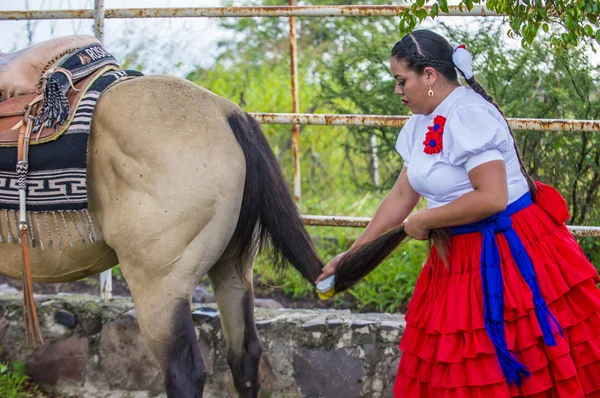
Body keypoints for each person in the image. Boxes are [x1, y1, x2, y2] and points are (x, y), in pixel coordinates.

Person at [316, 30, 600, 397]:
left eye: (402, 81)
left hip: (508, 251)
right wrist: (353, 253)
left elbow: (493, 197)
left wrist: (425, 220)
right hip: (457, 257)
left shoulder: (467, 114)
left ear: (430, 75)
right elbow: (403, 195)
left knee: (520, 360)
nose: (398, 91)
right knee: (457, 362)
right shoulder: (421, 122)